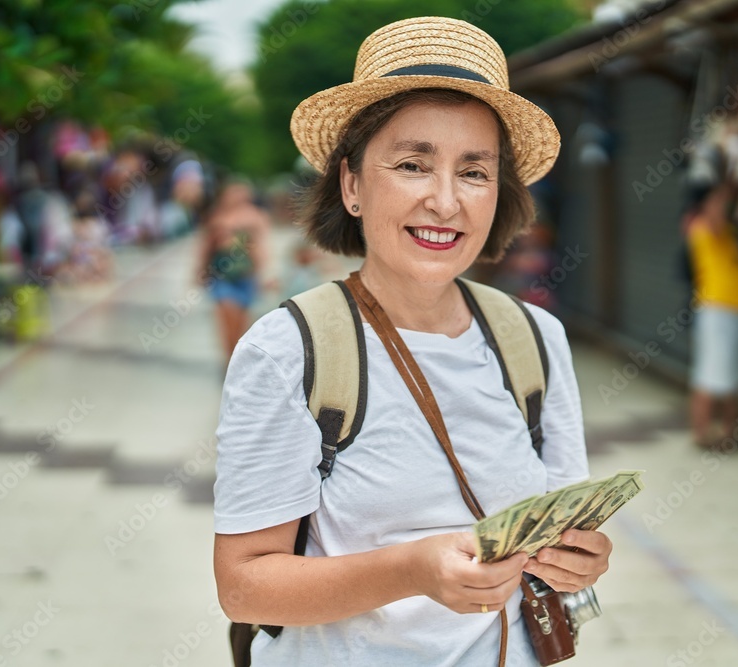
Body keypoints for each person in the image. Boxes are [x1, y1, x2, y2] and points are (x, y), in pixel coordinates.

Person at [212, 17, 611, 666]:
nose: (446, 201)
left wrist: (578, 559)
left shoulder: (535, 339)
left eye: (474, 172)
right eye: (412, 164)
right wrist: (413, 569)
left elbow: (563, 527)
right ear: (351, 184)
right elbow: (244, 585)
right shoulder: (289, 350)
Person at [686, 181, 738, 448]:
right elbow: (717, 212)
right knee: (710, 374)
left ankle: (729, 433)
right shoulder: (702, 227)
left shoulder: (735, 233)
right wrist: (732, 179)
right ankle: (701, 432)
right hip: (718, 312)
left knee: (736, 378)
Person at [198, 180, 270, 363]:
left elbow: (261, 247)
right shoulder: (217, 217)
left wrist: (264, 274)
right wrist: (200, 271)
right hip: (222, 276)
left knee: (241, 323)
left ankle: (235, 359)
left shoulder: (255, 217)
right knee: (227, 317)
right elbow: (206, 247)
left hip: (246, 276)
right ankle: (229, 359)